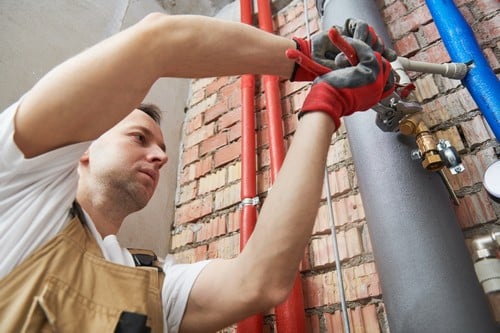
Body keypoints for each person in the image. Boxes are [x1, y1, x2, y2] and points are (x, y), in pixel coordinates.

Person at [0, 13, 395, 333]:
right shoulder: (16, 188)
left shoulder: (152, 283)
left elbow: (258, 282)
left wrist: (327, 101)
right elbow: (160, 39)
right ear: (84, 149)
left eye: (163, 147)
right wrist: (305, 56)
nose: (160, 157)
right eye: (139, 138)